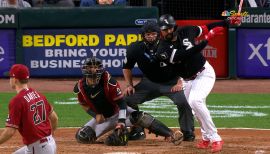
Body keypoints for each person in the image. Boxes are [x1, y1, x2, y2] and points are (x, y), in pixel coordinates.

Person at [154, 14, 242, 153]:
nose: (167, 31)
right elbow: (183, 55)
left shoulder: (187, 30)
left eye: (169, 28)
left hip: (204, 73)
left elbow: (207, 28)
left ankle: (215, 138)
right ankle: (206, 137)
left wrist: (227, 21)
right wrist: (205, 41)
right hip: (187, 80)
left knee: (195, 101)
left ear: (174, 27)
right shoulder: (162, 49)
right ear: (160, 30)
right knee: (195, 109)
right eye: (164, 29)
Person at [73, 56, 183, 146]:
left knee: (141, 117)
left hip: (119, 113)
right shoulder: (80, 87)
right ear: (85, 69)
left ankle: (171, 135)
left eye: (96, 67)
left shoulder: (109, 81)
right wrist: (95, 114)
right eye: (90, 67)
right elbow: (84, 105)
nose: (93, 69)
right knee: (82, 136)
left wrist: (121, 121)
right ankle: (109, 139)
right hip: (103, 119)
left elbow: (121, 103)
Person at [122, 20, 195, 141]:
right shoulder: (135, 48)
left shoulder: (169, 44)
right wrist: (129, 85)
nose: (150, 36)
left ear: (158, 34)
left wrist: (180, 81)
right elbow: (126, 67)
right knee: (127, 99)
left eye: (153, 34)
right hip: (149, 83)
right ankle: (137, 130)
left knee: (183, 102)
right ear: (143, 35)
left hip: (171, 83)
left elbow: (184, 62)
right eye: (147, 34)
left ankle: (188, 132)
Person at [0, 64, 58, 154]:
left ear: (15, 80)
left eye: (10, 77)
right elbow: (54, 118)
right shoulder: (38, 95)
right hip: (50, 144)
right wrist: (51, 133)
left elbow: (10, 131)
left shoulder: (17, 101)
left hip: (38, 149)